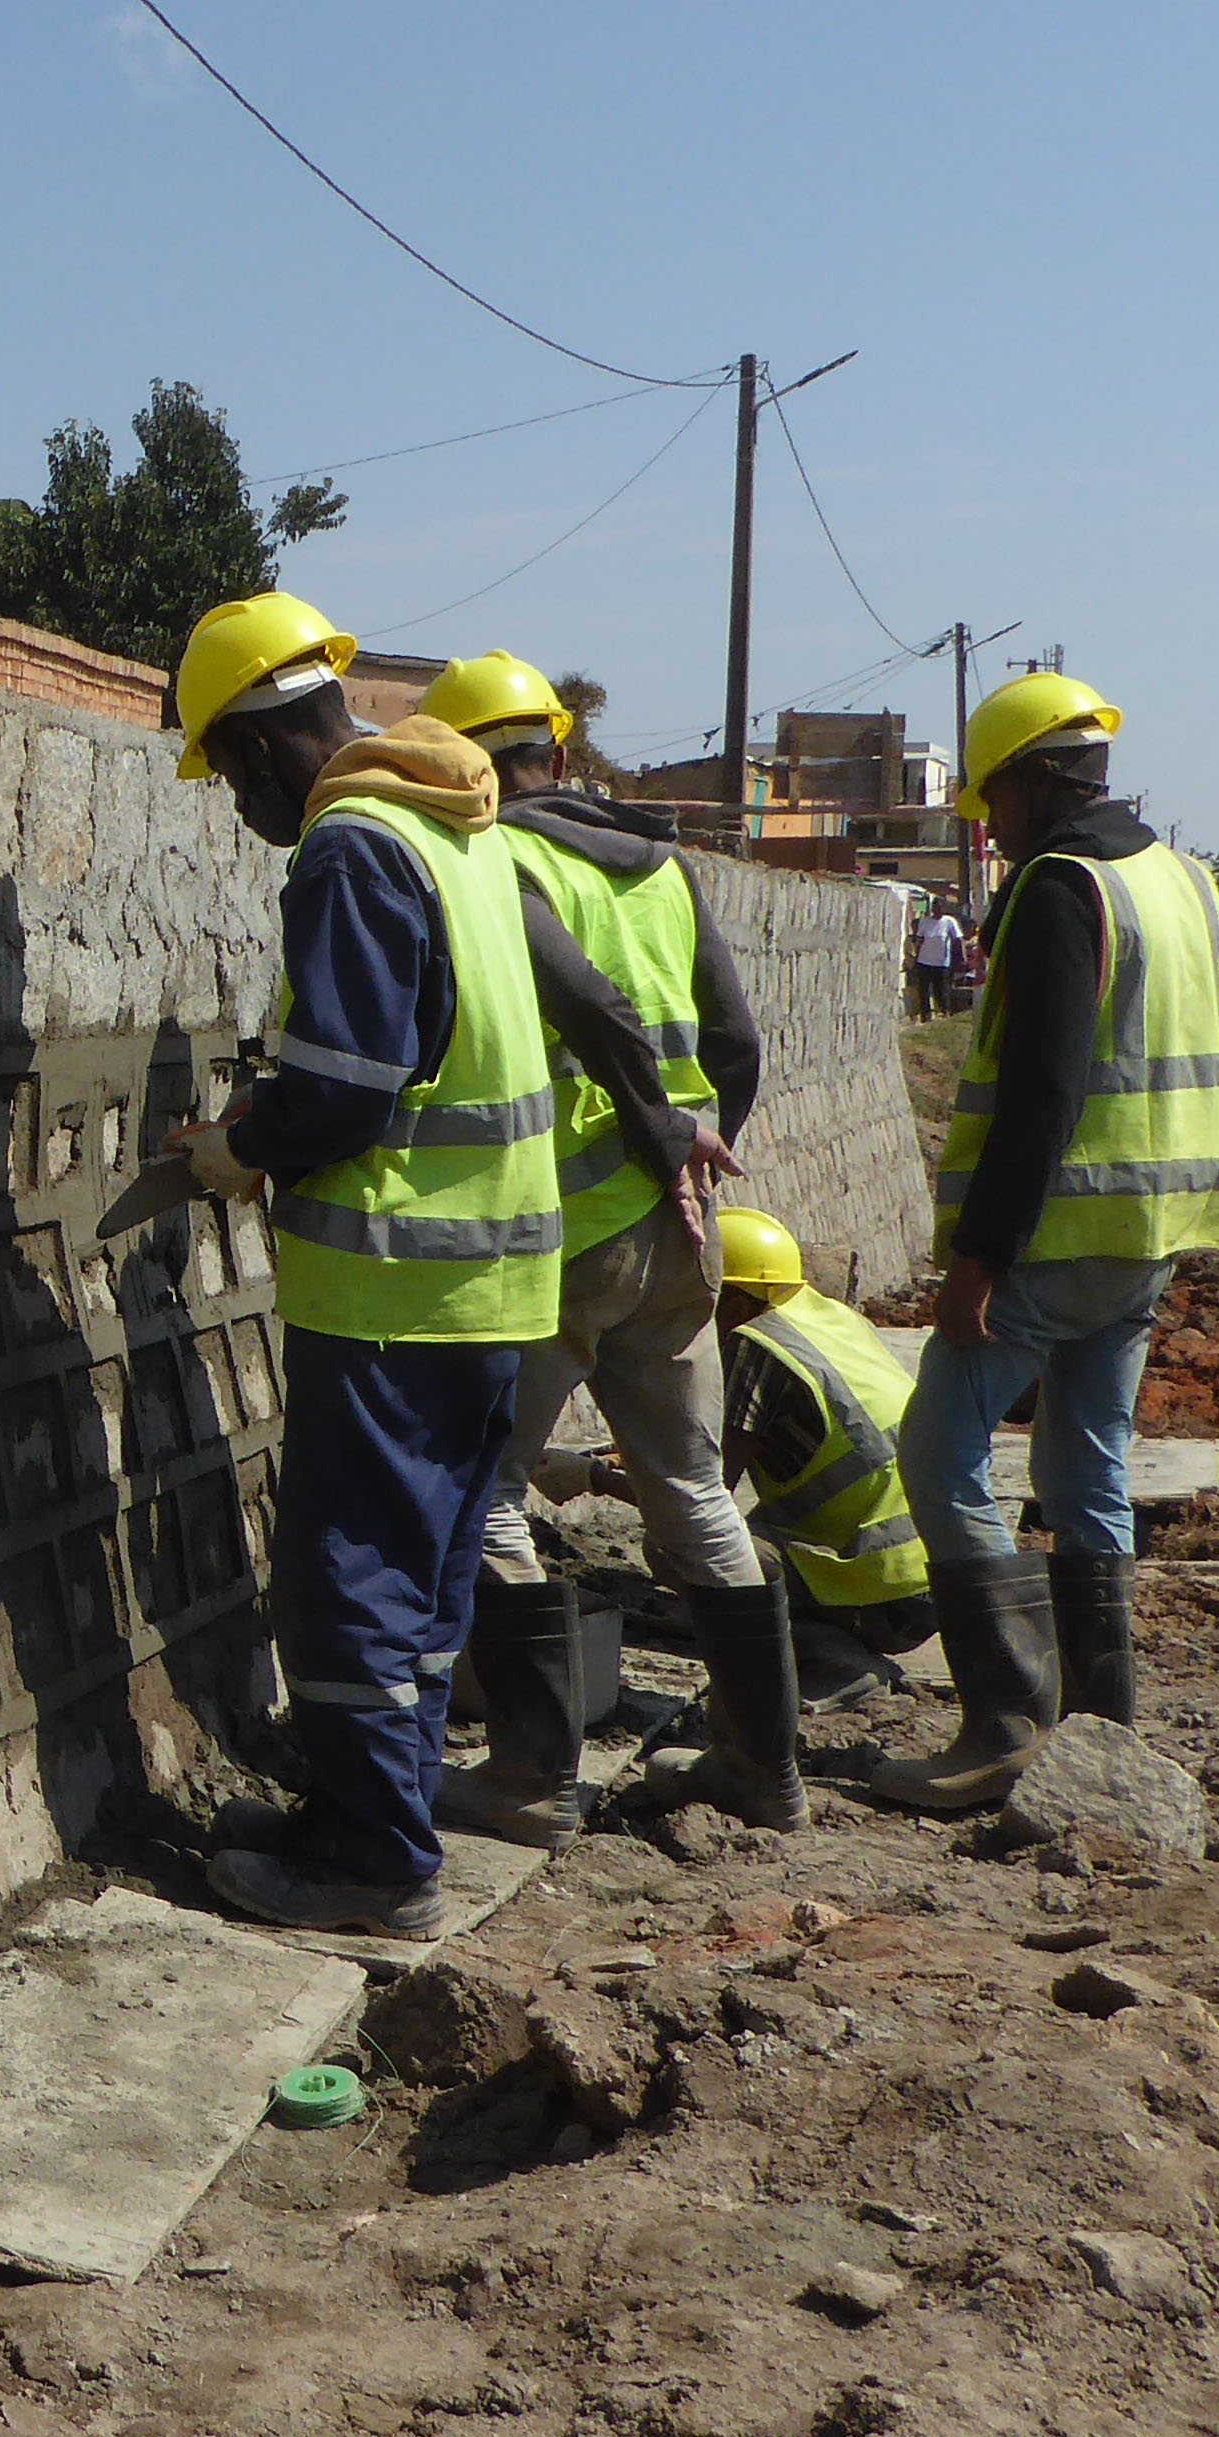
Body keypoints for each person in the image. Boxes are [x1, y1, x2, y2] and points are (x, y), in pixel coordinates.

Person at [145, 592, 572, 1939]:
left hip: (394, 1295)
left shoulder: (349, 847)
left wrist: (234, 1152)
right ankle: (368, 1813)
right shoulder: (467, 837)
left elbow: (345, 1088)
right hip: (492, 1290)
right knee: (430, 1579)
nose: (241, 813)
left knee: (351, 1579)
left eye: (230, 782)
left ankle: (374, 1868)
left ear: (265, 749)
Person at [404, 649, 803, 1843]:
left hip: (563, 1238)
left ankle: (530, 1772)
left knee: (485, 1492)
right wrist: (692, 1150)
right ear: (558, 756)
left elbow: (590, 1012)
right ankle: (763, 1765)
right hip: (681, 1230)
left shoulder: (505, 859)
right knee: (689, 1488)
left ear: (466, 768)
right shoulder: (664, 872)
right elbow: (735, 1041)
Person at [873, 672, 1219, 1812]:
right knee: (1089, 1471)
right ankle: (1099, 1735)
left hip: (1052, 1235)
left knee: (938, 1451)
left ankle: (1003, 1724)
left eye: (992, 800)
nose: (989, 826)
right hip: (1151, 1232)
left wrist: (979, 1258)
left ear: (1033, 782)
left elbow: (1043, 1086)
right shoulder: (1184, 881)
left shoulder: (1058, 887)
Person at [705, 1208, 934, 1688]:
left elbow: (704, 1495)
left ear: (732, 1297)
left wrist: (589, 1478)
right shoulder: (829, 1318)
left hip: (874, 1592)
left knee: (684, 1545)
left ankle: (828, 1654)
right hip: (932, 1578)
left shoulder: (752, 1346)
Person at [906, 896, 965, 1018]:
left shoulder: (949, 922)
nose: (937, 909)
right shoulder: (925, 921)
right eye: (935, 906)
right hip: (924, 961)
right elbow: (920, 939)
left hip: (941, 962)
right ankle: (925, 1014)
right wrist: (915, 957)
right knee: (924, 989)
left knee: (941, 989)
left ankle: (944, 1011)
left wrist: (962, 957)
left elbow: (958, 940)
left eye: (939, 907)